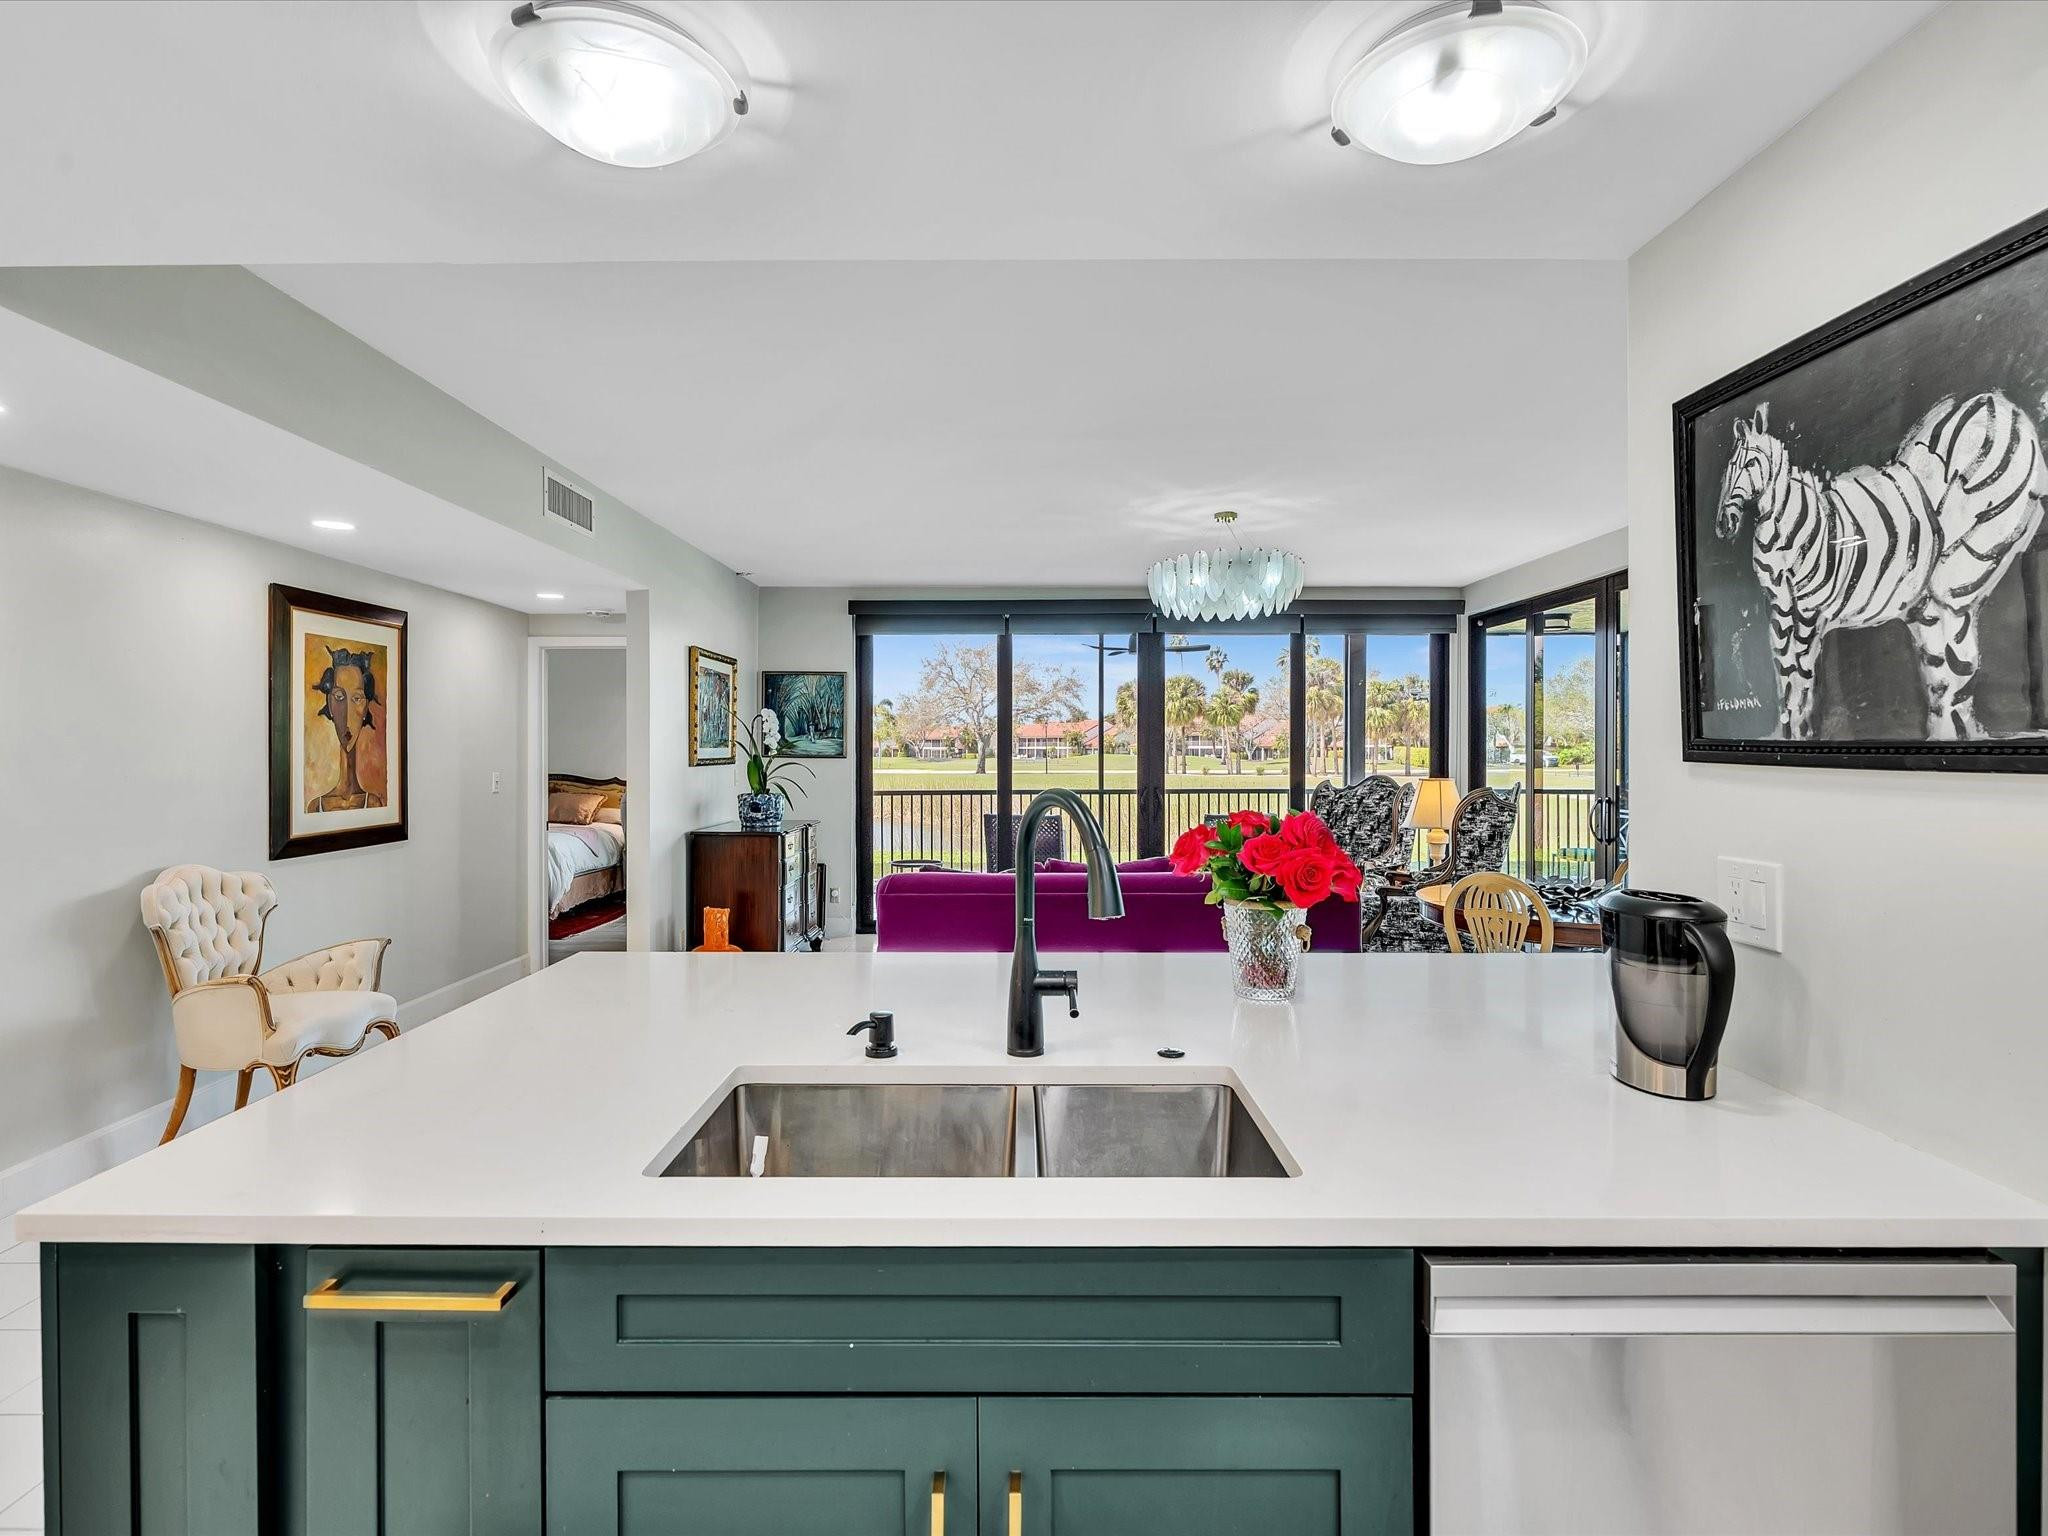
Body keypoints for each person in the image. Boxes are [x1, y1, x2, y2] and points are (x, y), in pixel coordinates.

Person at [308, 646, 385, 811]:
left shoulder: (373, 804)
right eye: (339, 697)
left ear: (365, 708)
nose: (347, 713)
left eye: (357, 698)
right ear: (330, 704)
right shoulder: (316, 806)